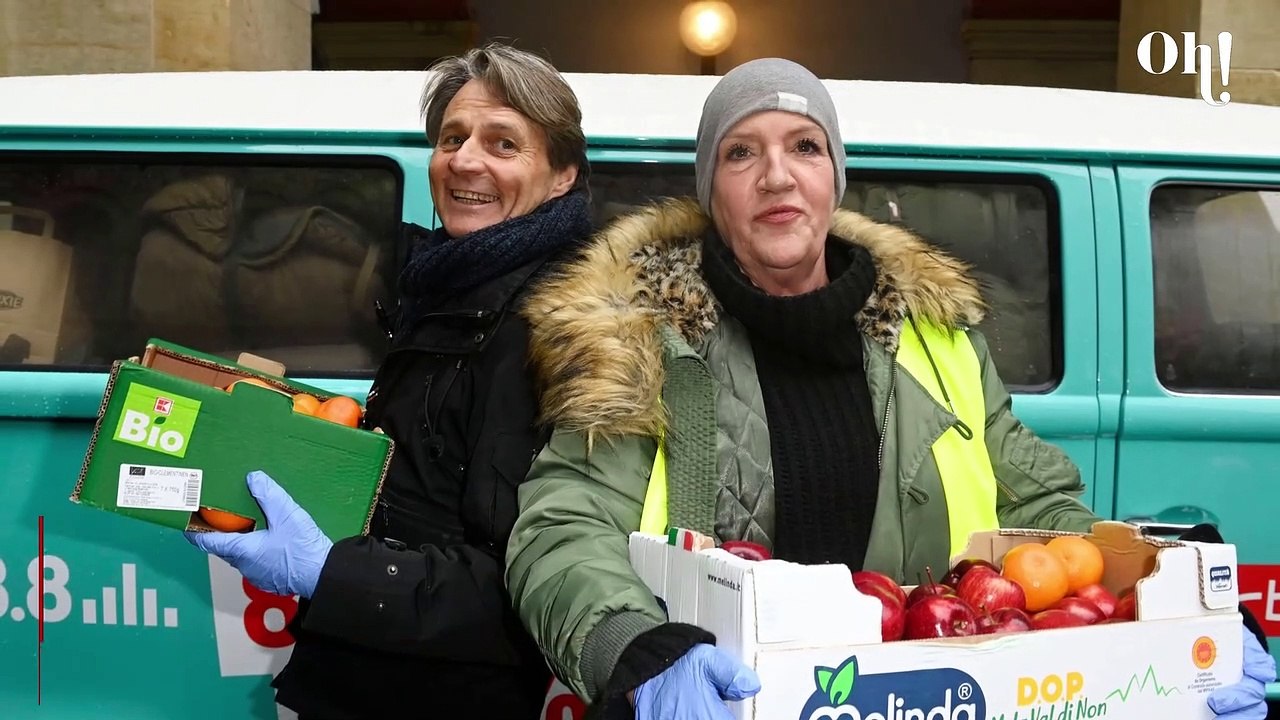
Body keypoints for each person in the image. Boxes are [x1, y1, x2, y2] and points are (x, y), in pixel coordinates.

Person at [503, 57, 1276, 719]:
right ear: (712, 190)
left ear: (833, 176)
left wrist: (1182, 614)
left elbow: (1044, 513)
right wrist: (638, 650)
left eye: (805, 146)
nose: (777, 175)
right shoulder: (639, 341)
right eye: (741, 153)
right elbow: (560, 531)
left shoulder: (937, 339)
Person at [186, 42, 595, 718]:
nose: (465, 159)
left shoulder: (545, 328)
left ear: (560, 177)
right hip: (368, 679)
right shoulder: (448, 286)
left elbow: (524, 581)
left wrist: (329, 571)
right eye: (453, 137)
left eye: (503, 143)